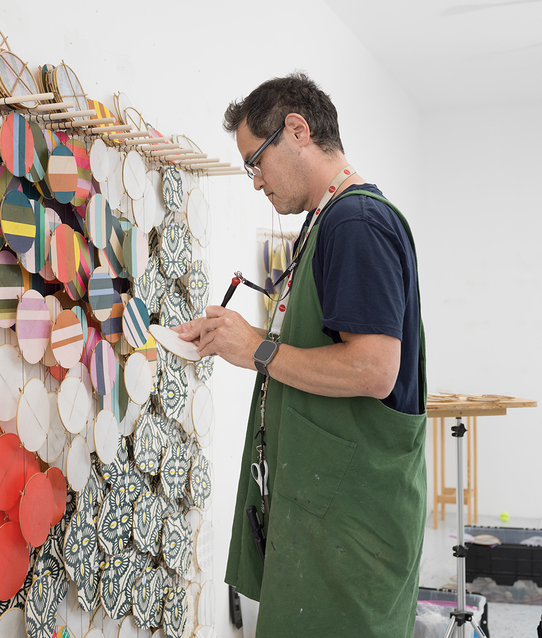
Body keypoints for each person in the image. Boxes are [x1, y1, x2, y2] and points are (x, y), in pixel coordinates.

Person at [175, 73, 427, 637]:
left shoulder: (357, 222)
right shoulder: (326, 223)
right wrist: (232, 338)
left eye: (255, 162)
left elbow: (373, 369)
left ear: (297, 130)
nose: (255, 181)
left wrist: (258, 348)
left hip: (353, 524)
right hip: (327, 514)